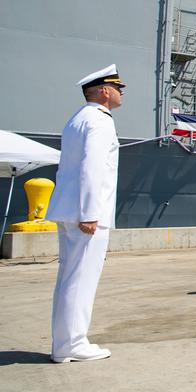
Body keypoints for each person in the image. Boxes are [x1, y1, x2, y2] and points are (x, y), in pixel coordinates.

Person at [47, 64, 125, 363]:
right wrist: (90, 212)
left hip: (69, 209)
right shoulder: (101, 121)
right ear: (105, 91)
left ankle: (65, 343)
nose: (121, 93)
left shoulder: (77, 119)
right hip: (87, 214)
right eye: (118, 88)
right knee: (81, 279)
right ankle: (73, 344)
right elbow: (92, 167)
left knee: (69, 278)